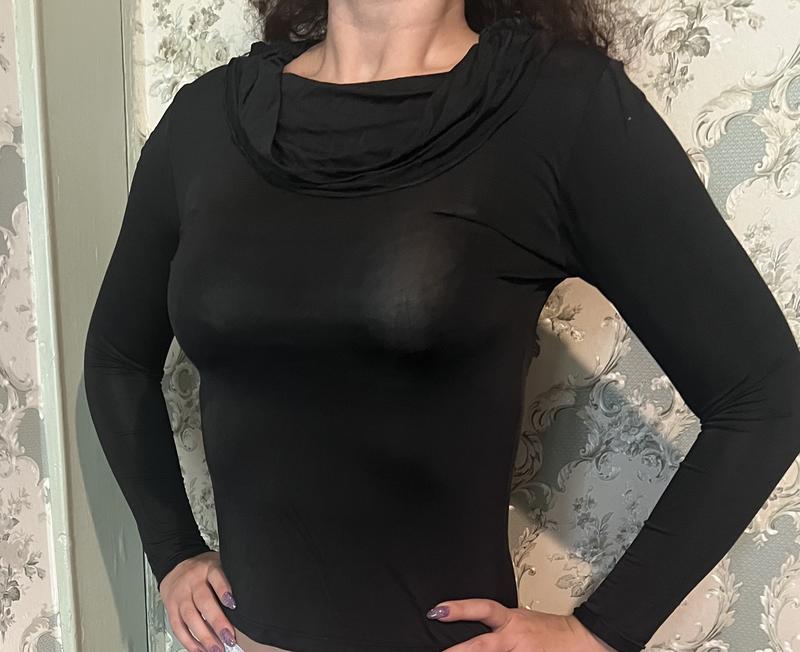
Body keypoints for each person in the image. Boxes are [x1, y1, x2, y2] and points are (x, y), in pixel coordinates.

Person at [82, 1, 800, 651]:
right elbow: (117, 358)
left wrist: (600, 633)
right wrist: (171, 550)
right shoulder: (205, 121)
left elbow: (766, 395)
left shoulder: (558, 106)